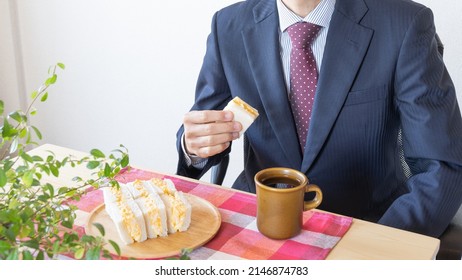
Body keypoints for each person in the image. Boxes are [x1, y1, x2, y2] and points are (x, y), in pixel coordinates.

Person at [176, 0, 462, 238]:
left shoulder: (404, 23)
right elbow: (202, 126)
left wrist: (375, 249)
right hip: (256, 222)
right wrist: (194, 149)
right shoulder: (228, 25)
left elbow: (443, 166)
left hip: (366, 226)